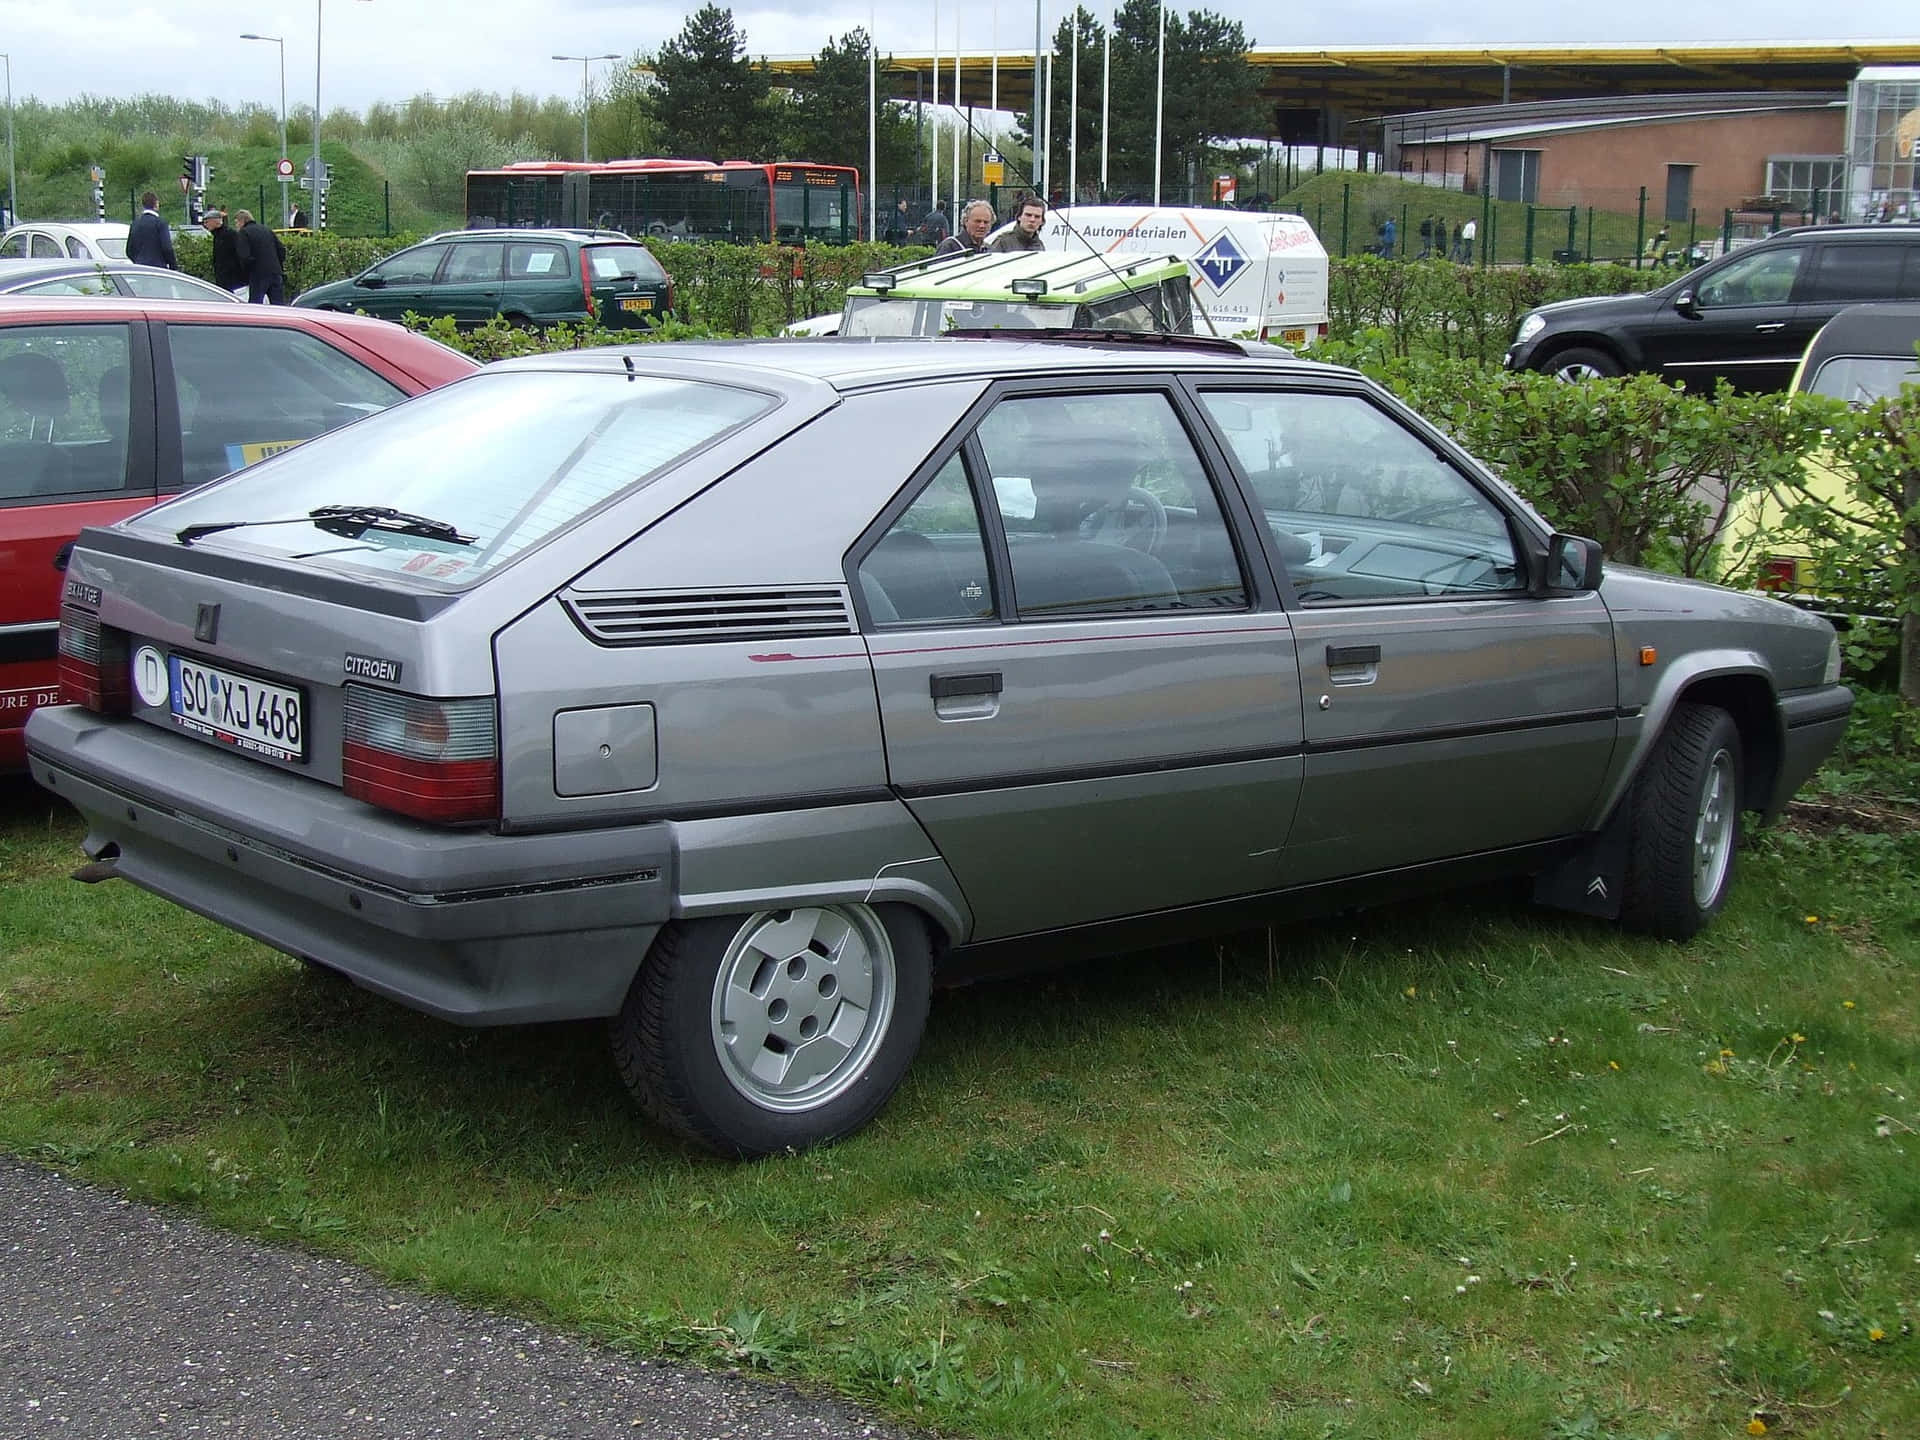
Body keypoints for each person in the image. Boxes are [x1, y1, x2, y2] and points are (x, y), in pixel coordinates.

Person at [233, 209, 287, 304]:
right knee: (278, 304)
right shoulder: (266, 229)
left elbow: (244, 256)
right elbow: (281, 250)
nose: (236, 225)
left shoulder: (244, 233)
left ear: (242, 221)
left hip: (258, 274)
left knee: (256, 305)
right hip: (275, 272)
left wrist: (247, 273)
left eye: (236, 222)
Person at [201, 210, 250, 297]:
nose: (205, 225)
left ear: (216, 221)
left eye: (207, 222)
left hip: (234, 279)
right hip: (223, 277)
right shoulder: (217, 236)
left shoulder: (230, 235)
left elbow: (239, 255)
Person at [126, 192, 176, 270]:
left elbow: (129, 250)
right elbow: (167, 248)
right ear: (156, 204)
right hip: (158, 268)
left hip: (140, 268)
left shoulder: (135, 223)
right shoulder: (160, 223)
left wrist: (138, 261)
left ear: (143, 205)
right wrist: (173, 266)